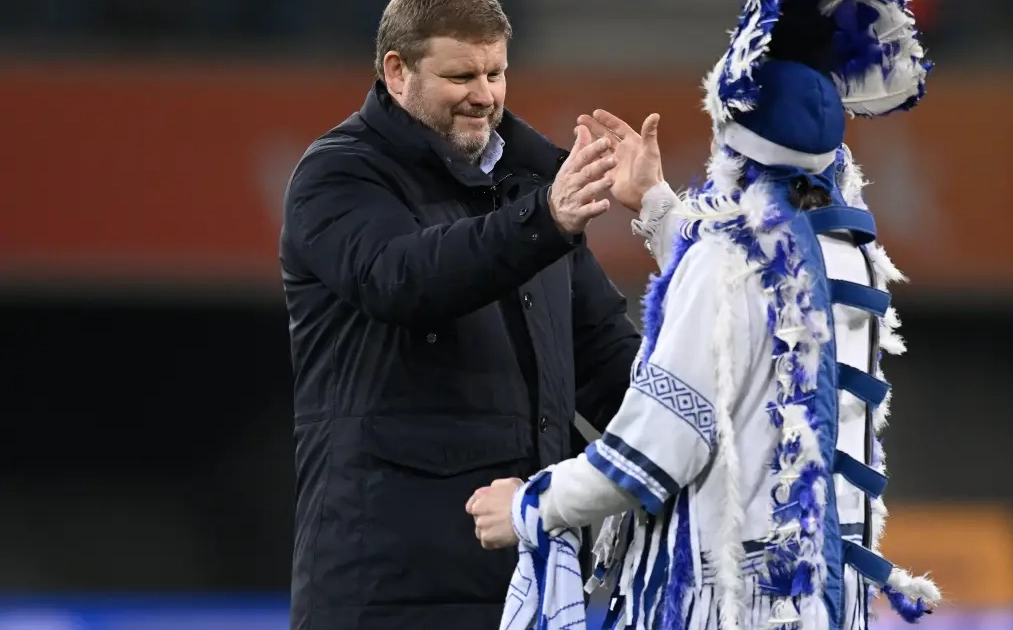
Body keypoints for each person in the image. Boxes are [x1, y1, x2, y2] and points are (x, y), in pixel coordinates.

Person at [465, 1, 943, 629]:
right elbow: (754, 290)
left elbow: (655, 451)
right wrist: (657, 205)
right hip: (820, 601)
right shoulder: (849, 256)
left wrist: (530, 505)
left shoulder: (722, 264)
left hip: (722, 603)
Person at [278, 1, 659, 628]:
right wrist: (545, 219)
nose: (484, 95)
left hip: (531, 578)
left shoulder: (529, 185)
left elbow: (607, 361)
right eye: (461, 76)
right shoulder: (338, 173)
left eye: (496, 74)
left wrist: (704, 427)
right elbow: (403, 278)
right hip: (386, 591)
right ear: (397, 72)